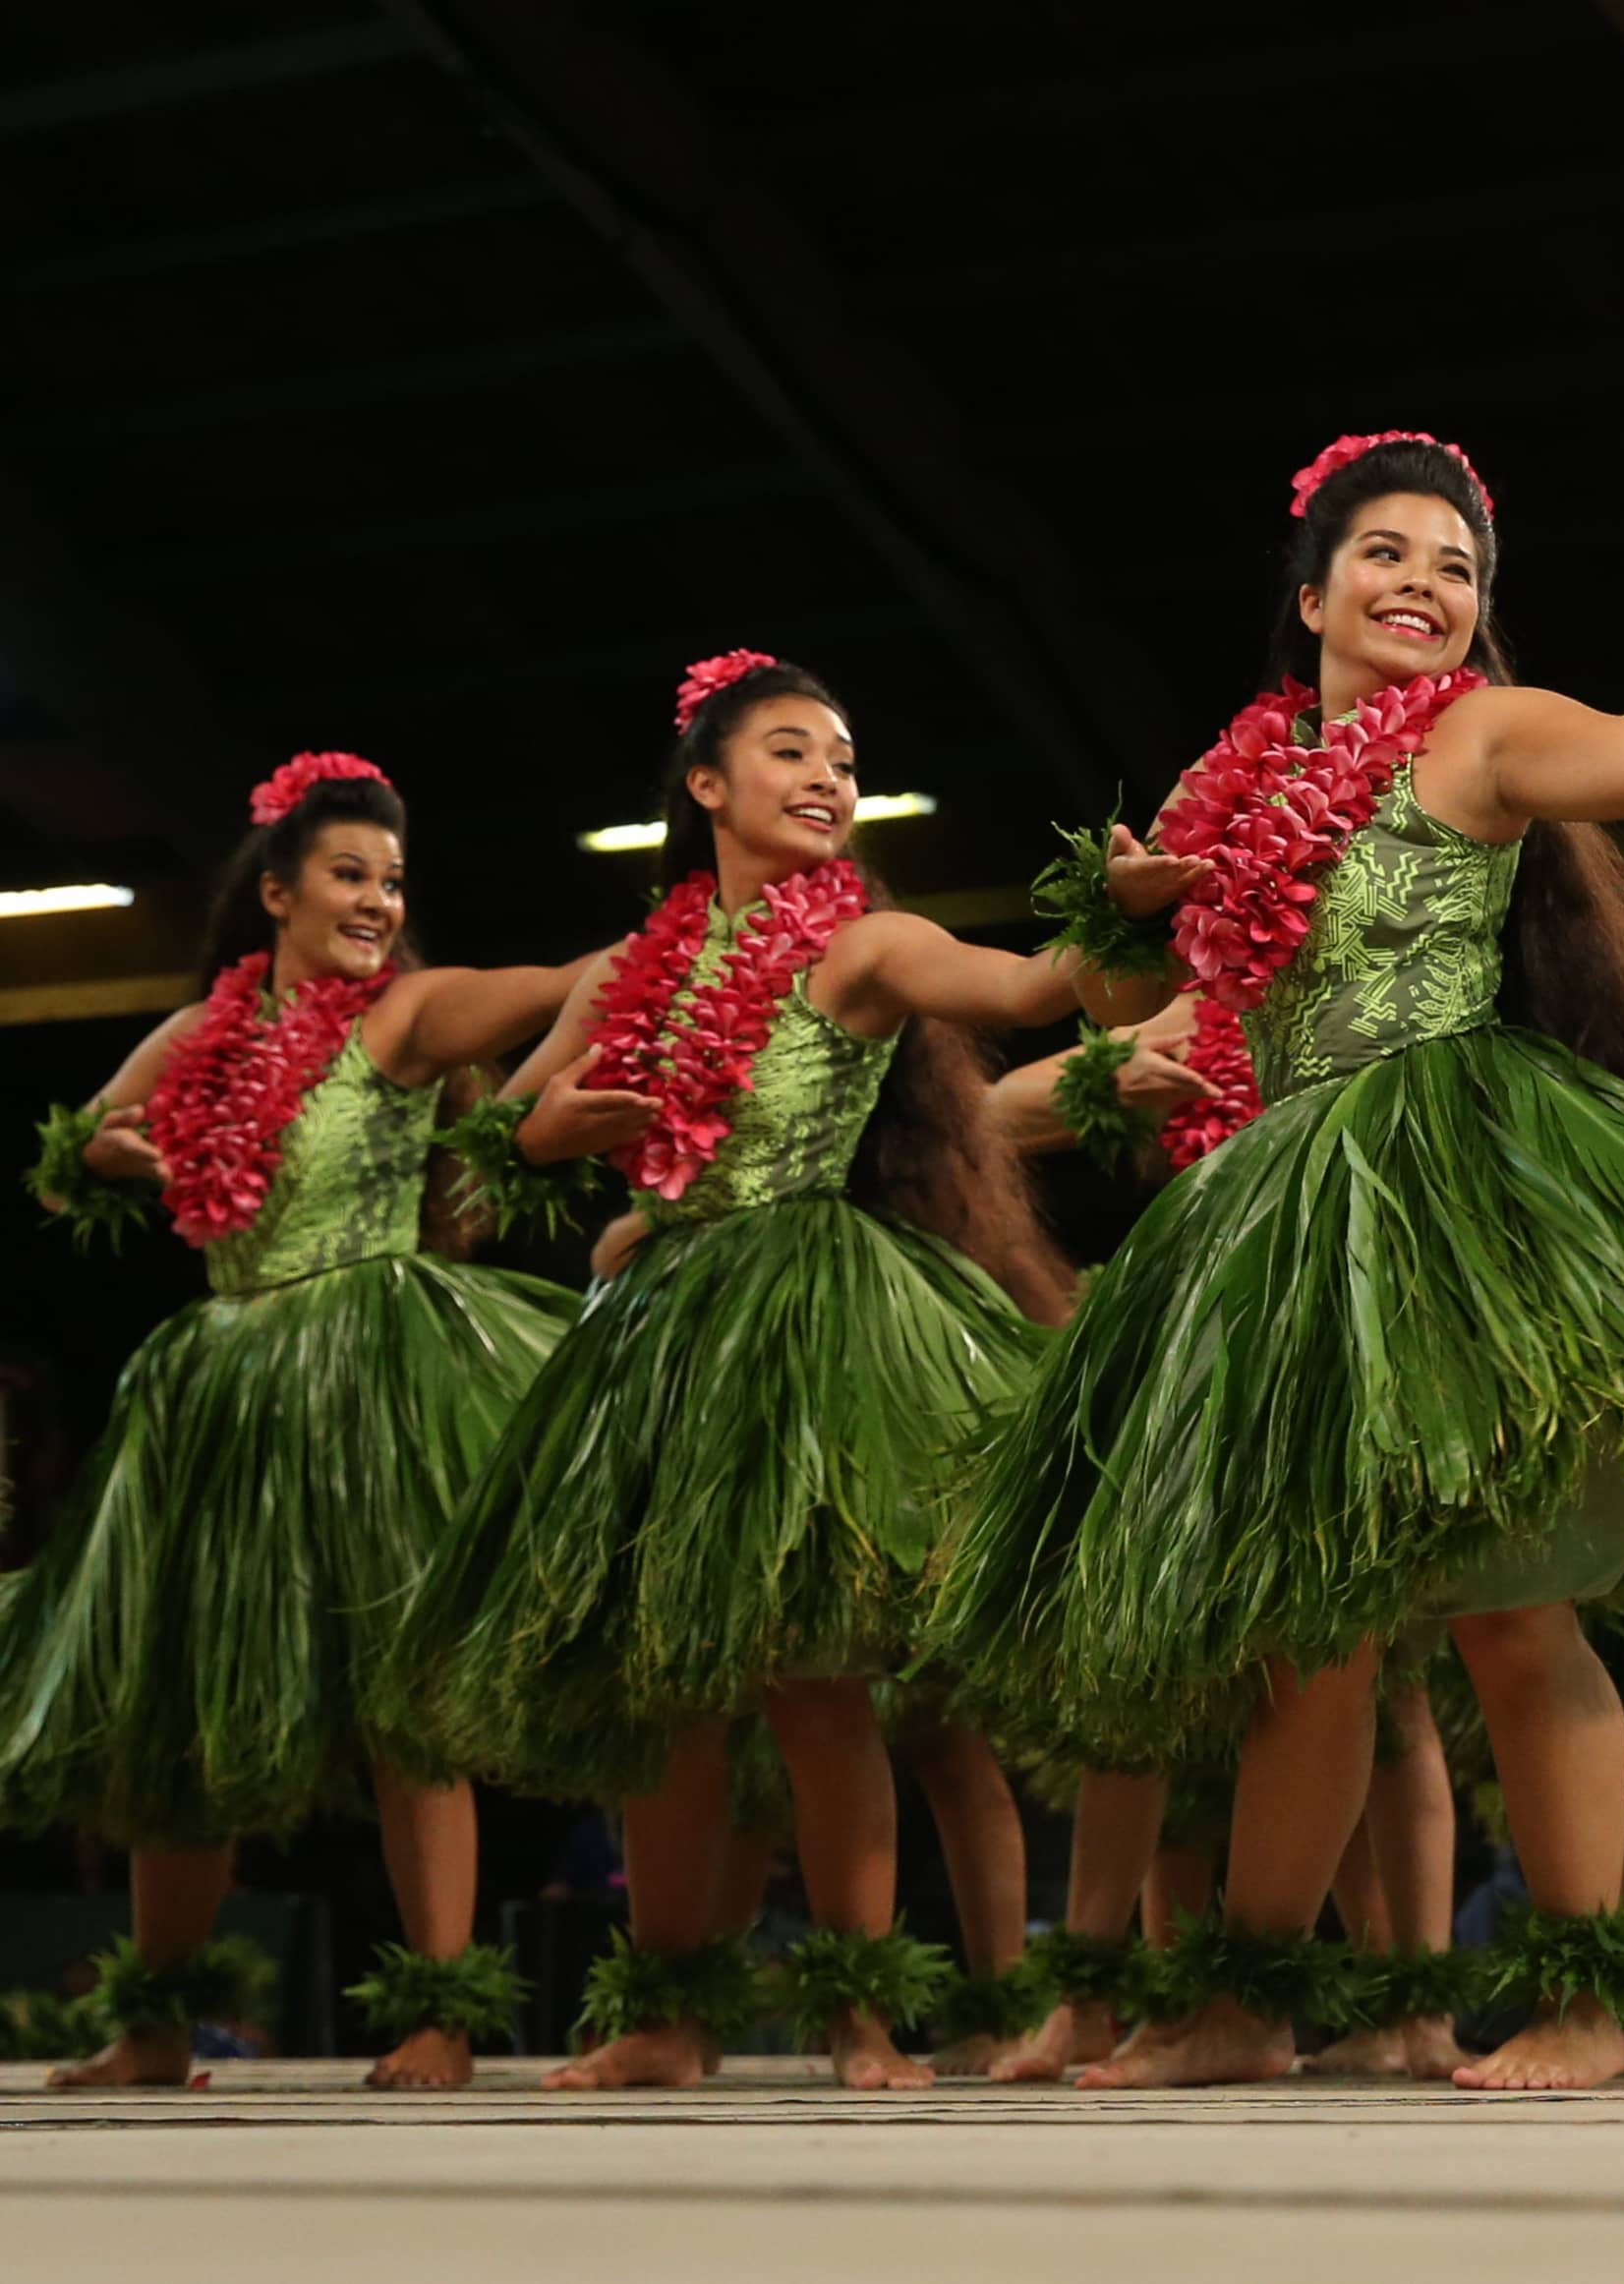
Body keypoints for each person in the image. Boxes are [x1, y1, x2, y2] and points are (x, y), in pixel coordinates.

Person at [927, 430, 1624, 2092]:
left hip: (1448, 1186)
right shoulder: (1229, 788)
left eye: (1455, 564)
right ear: (1312, 596)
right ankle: (1244, 1995)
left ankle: (1591, 1994)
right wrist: (1133, 931)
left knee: (1518, 1614)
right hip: (1283, 1213)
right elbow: (1130, 1004)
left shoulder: (1485, 736)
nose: (1424, 584)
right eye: (1389, 554)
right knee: (1314, 1635)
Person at [388, 652, 1116, 2091]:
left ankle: (858, 2010)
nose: (829, 777)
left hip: (808, 1314)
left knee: (818, 1683)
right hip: (665, 1326)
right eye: (793, 751)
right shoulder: (630, 966)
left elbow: (1031, 983)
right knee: (671, 1689)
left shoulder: (863, 947)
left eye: (843, 757)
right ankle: (667, 2010)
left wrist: (1122, 912)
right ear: (707, 785)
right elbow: (495, 1140)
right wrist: (543, 1138)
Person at [9, 752, 584, 2088]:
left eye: (391, 877)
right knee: (188, 1706)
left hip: (367, 1366)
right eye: (348, 873)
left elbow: (573, 981)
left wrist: (530, 1093)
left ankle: (441, 2009)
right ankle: (154, 2021)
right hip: (219, 1381)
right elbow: (70, 1154)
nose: (378, 898)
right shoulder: (202, 1033)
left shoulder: (408, 1014)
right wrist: (118, 1151)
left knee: (403, 1695)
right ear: (276, 893)